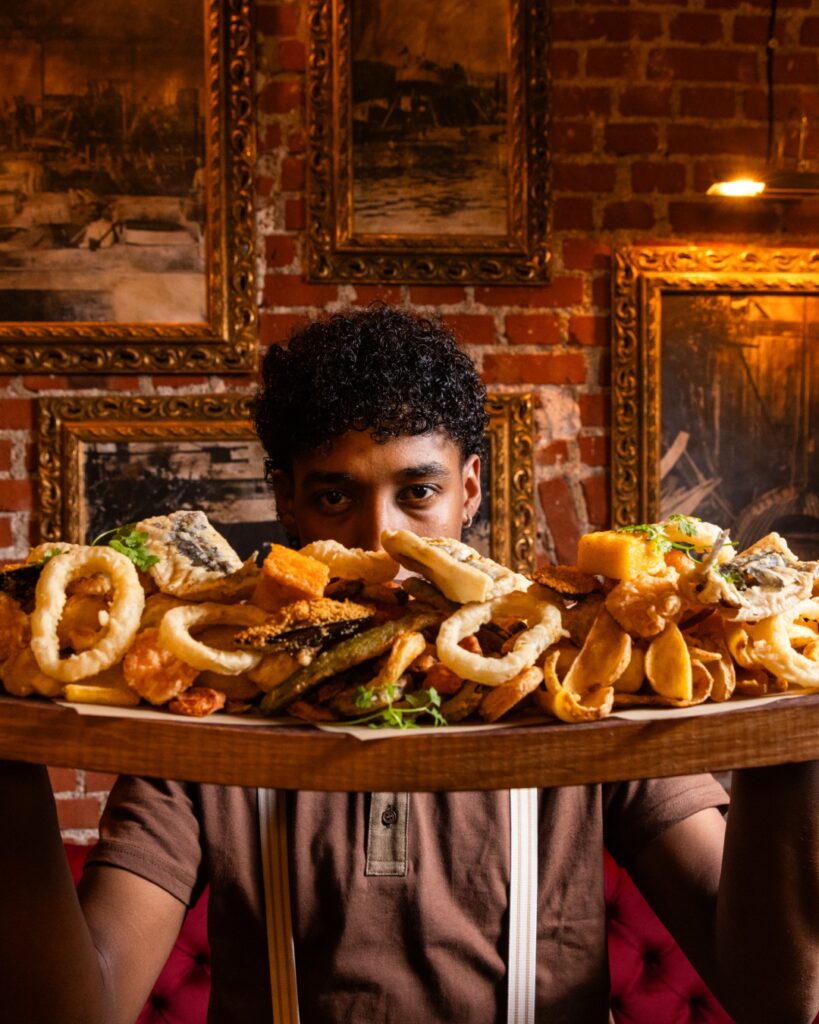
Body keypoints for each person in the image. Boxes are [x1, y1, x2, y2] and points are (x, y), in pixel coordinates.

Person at [2, 306, 819, 1024]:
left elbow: (774, 996)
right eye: (335, 498)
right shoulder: (217, 706)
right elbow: (79, 1007)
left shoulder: (576, 679)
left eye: (416, 493)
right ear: (287, 500)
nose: (381, 547)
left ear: (469, 490)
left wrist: (791, 717)